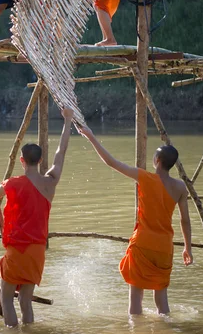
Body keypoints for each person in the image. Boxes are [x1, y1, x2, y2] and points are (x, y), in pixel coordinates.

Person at [0, 106, 74, 327]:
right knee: (25, 300)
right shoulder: (50, 182)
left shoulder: (12, 183)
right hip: (37, 251)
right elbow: (61, 152)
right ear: (40, 161)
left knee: (7, 298)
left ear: (21, 161)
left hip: (17, 249)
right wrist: (68, 121)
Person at [78, 126, 193, 315]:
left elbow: (111, 162)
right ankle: (166, 333)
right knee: (161, 299)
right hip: (164, 247)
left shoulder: (145, 177)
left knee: (135, 297)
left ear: (156, 161)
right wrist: (187, 247)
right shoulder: (180, 187)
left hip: (143, 244)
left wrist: (91, 136)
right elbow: (185, 221)